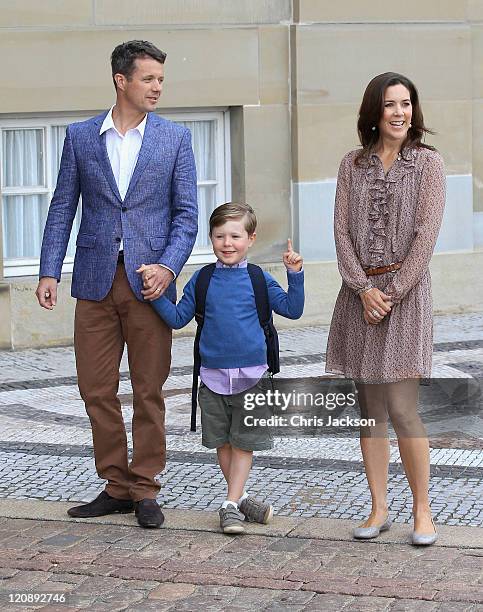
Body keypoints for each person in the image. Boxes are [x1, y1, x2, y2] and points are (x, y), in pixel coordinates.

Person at [36, 40, 198, 528]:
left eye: (161, 80)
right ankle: (115, 484)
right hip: (93, 281)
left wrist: (168, 267)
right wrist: (48, 270)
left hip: (150, 286)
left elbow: (187, 217)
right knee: (95, 390)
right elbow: (63, 205)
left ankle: (145, 487)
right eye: (148, 78)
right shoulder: (82, 136)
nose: (157, 88)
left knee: (149, 390)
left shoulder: (175, 138)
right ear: (120, 80)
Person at [326, 72, 445, 546]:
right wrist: (361, 289)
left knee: (402, 409)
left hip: (406, 297)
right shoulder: (351, 165)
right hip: (358, 300)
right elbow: (340, 233)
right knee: (370, 410)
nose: (400, 113)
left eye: (407, 104)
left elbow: (426, 238)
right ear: (374, 112)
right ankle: (378, 508)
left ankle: (423, 511)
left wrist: (389, 293)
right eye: (391, 105)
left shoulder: (428, 164)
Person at [140, 202, 304, 533]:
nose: (227, 243)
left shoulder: (259, 279)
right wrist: (154, 292)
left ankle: (228, 506)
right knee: (223, 442)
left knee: (243, 442)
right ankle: (241, 500)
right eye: (219, 236)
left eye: (235, 236)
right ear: (211, 239)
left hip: (253, 377)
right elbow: (177, 317)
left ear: (251, 238)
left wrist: (294, 274)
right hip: (211, 378)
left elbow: (293, 309)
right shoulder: (202, 280)